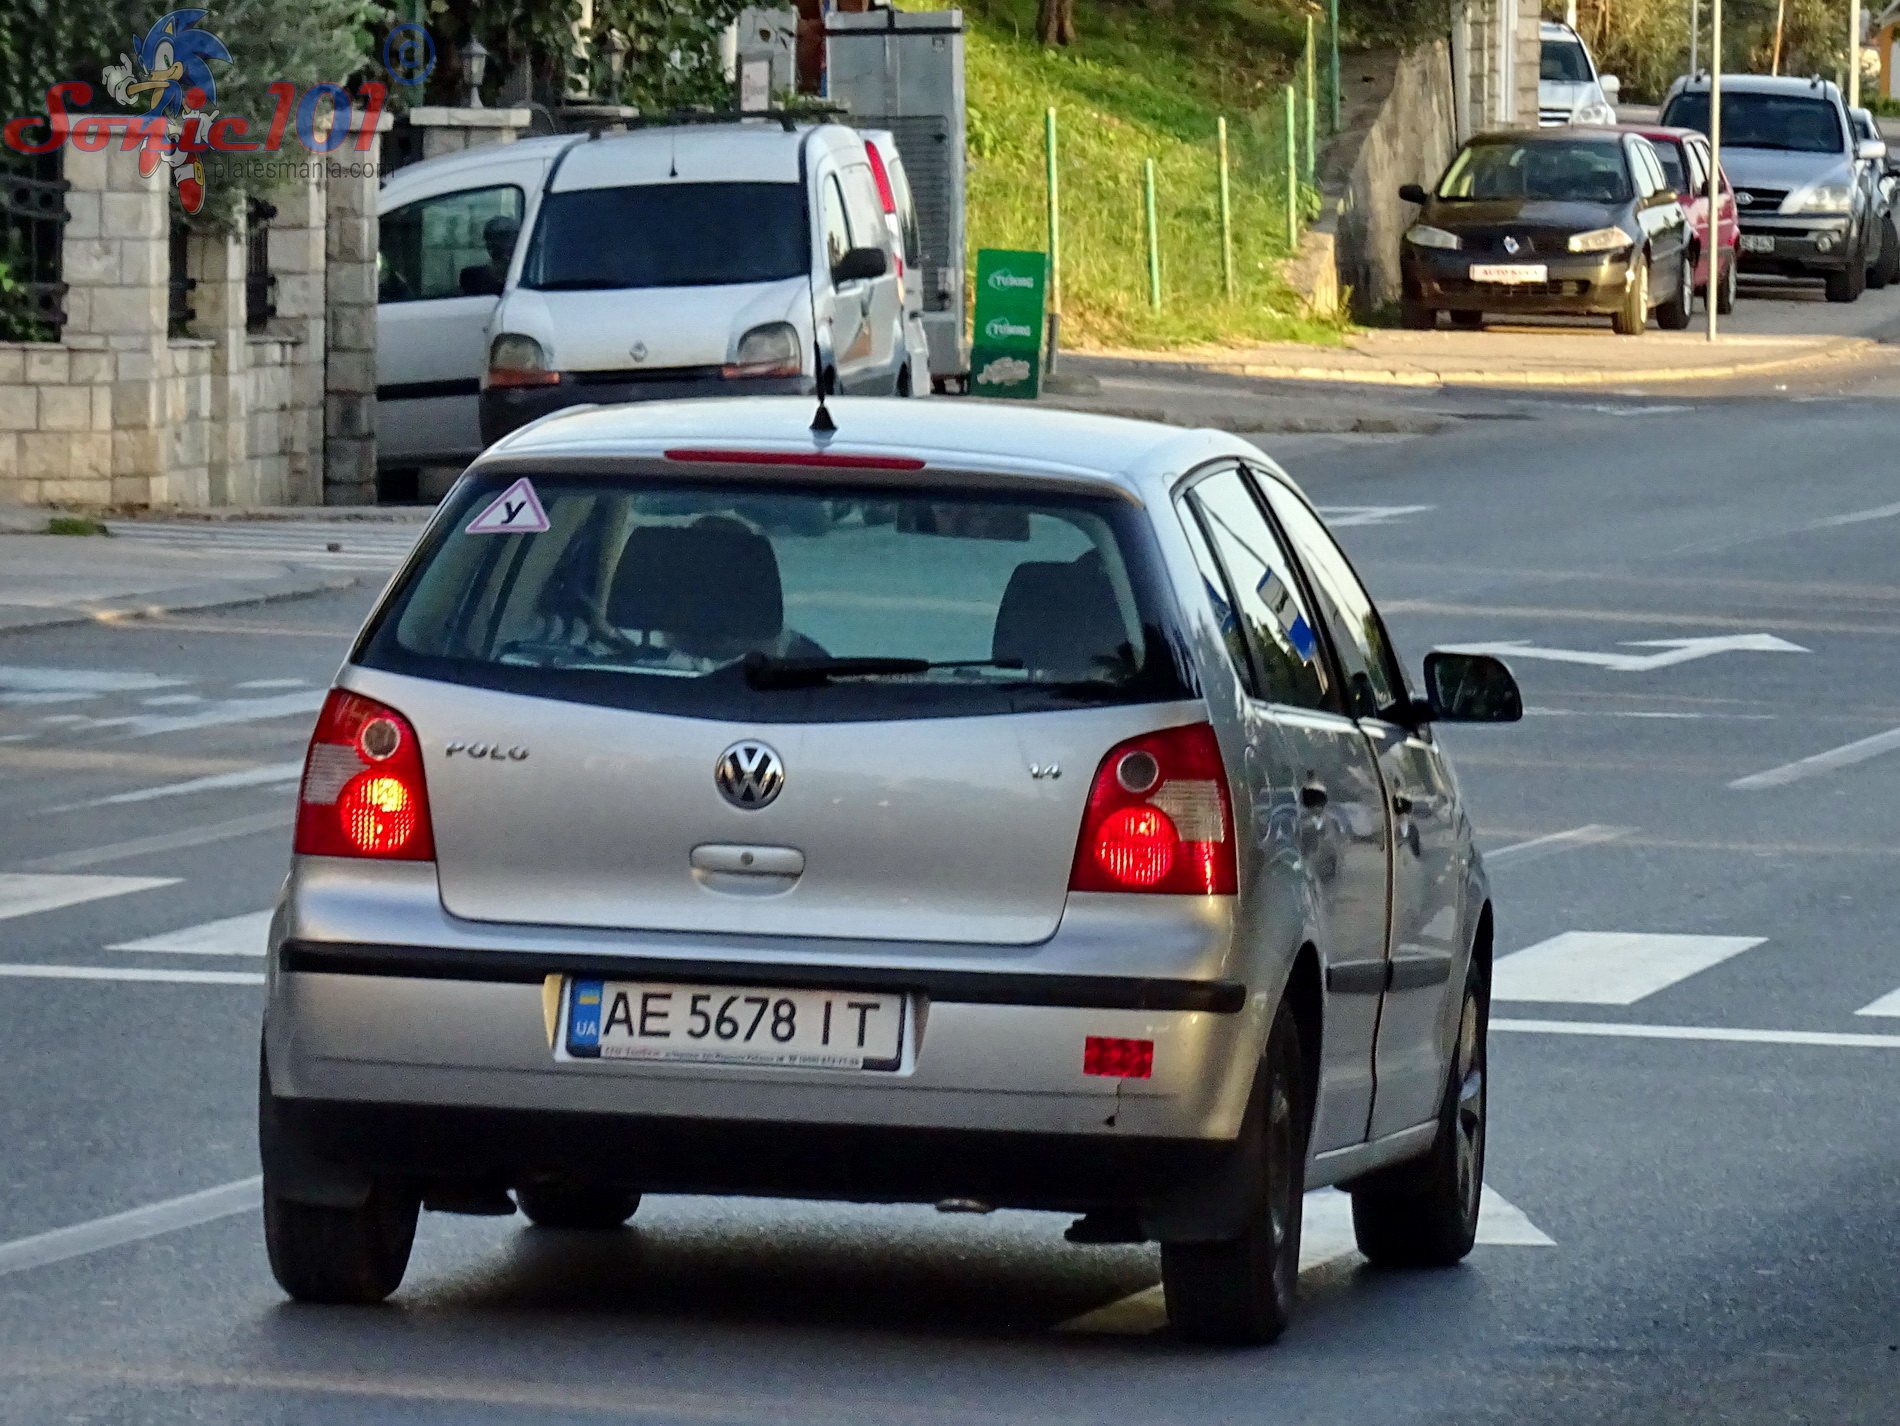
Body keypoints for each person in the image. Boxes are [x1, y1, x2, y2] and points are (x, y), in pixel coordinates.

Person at [459, 216, 520, 296]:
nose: (495, 243)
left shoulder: (527, 276)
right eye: (491, 239)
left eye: (504, 238)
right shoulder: (471, 276)